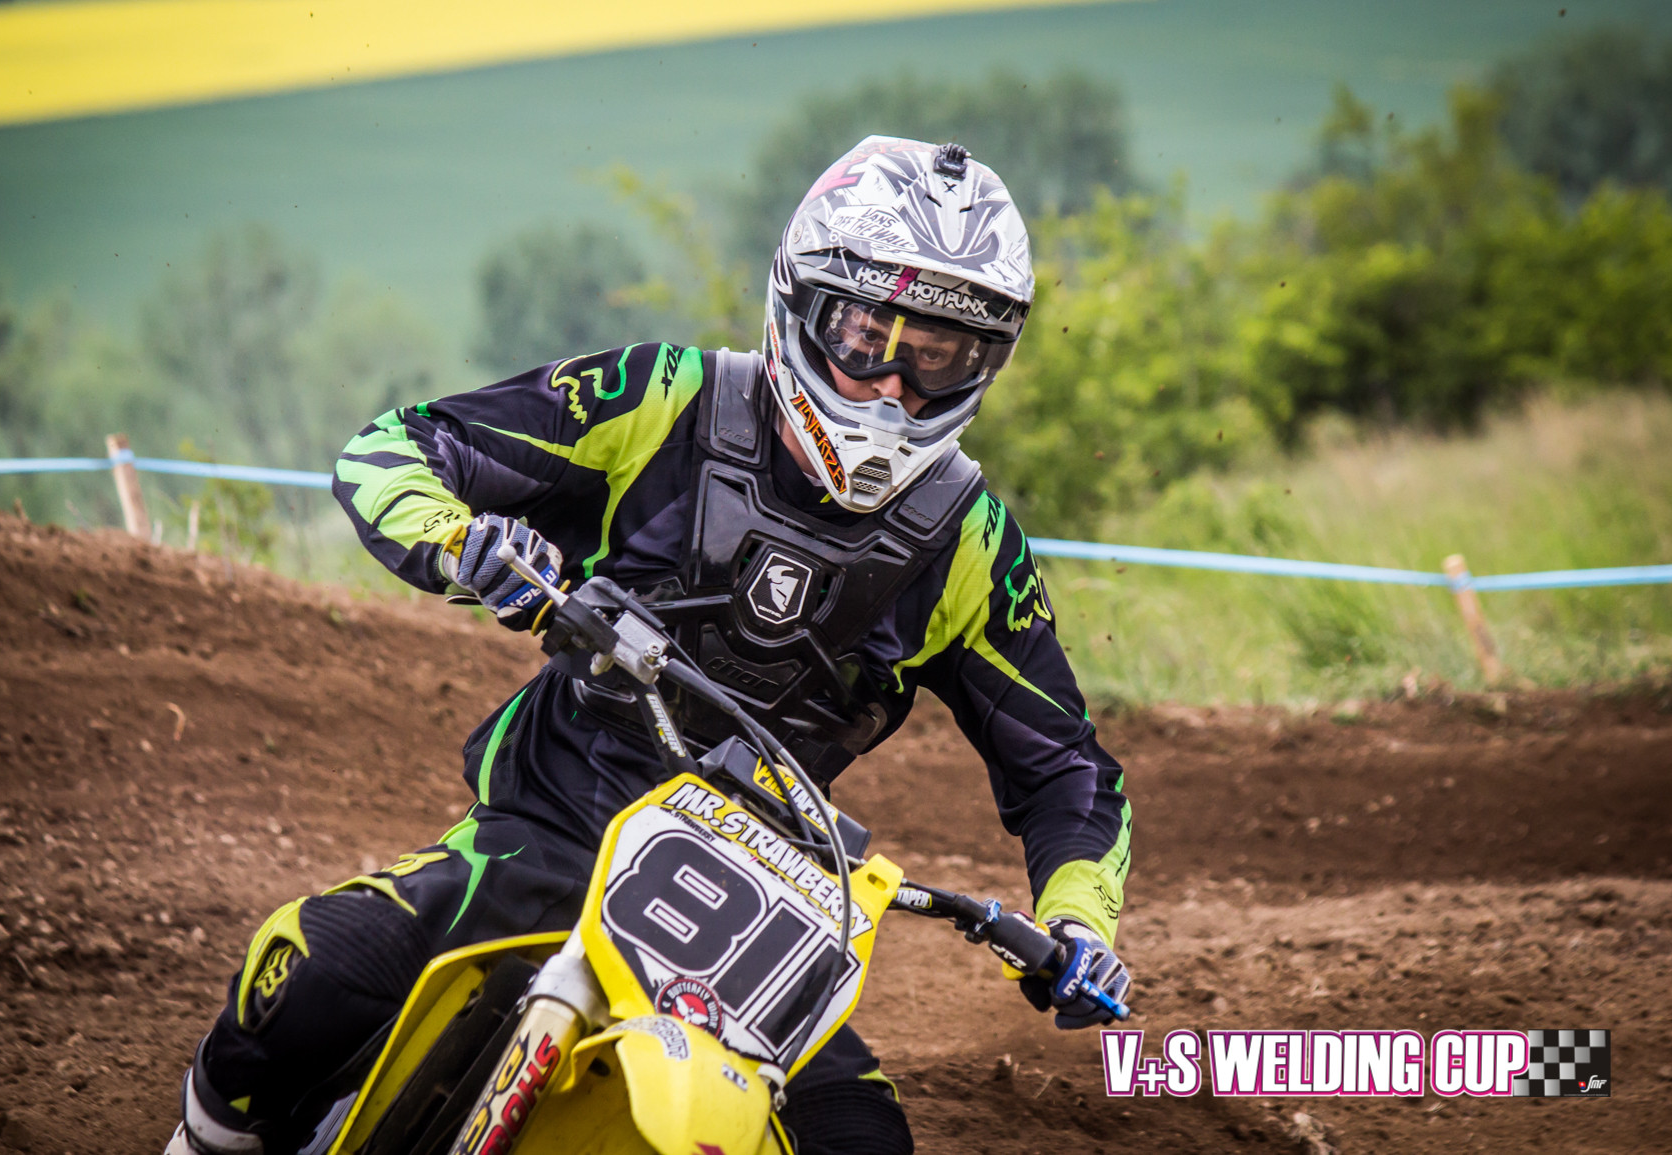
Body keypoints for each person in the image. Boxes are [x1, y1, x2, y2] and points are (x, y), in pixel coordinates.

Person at [166, 136, 1133, 1155]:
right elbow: (394, 448)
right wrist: (465, 543)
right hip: (552, 833)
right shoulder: (662, 399)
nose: (894, 384)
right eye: (867, 337)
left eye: (937, 355)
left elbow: (1069, 772)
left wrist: (1078, 924)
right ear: (802, 305)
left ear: (984, 362)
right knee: (311, 977)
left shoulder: (970, 542)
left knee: (864, 1142)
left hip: (761, 916)